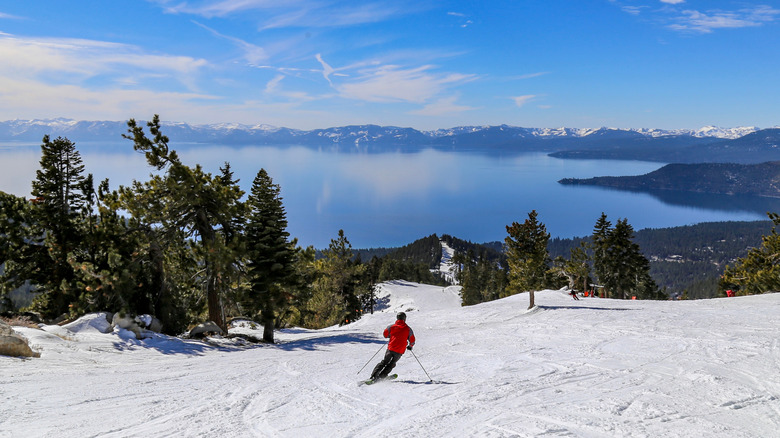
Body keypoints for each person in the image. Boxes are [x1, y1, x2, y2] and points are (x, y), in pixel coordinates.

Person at [369, 312, 416, 382]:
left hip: (391, 348)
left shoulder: (391, 327)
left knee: (384, 362)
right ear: (404, 319)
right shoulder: (408, 329)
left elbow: (385, 334)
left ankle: (374, 376)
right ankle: (382, 376)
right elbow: (412, 339)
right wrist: (410, 346)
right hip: (400, 350)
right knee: (392, 363)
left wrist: (391, 336)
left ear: (397, 318)